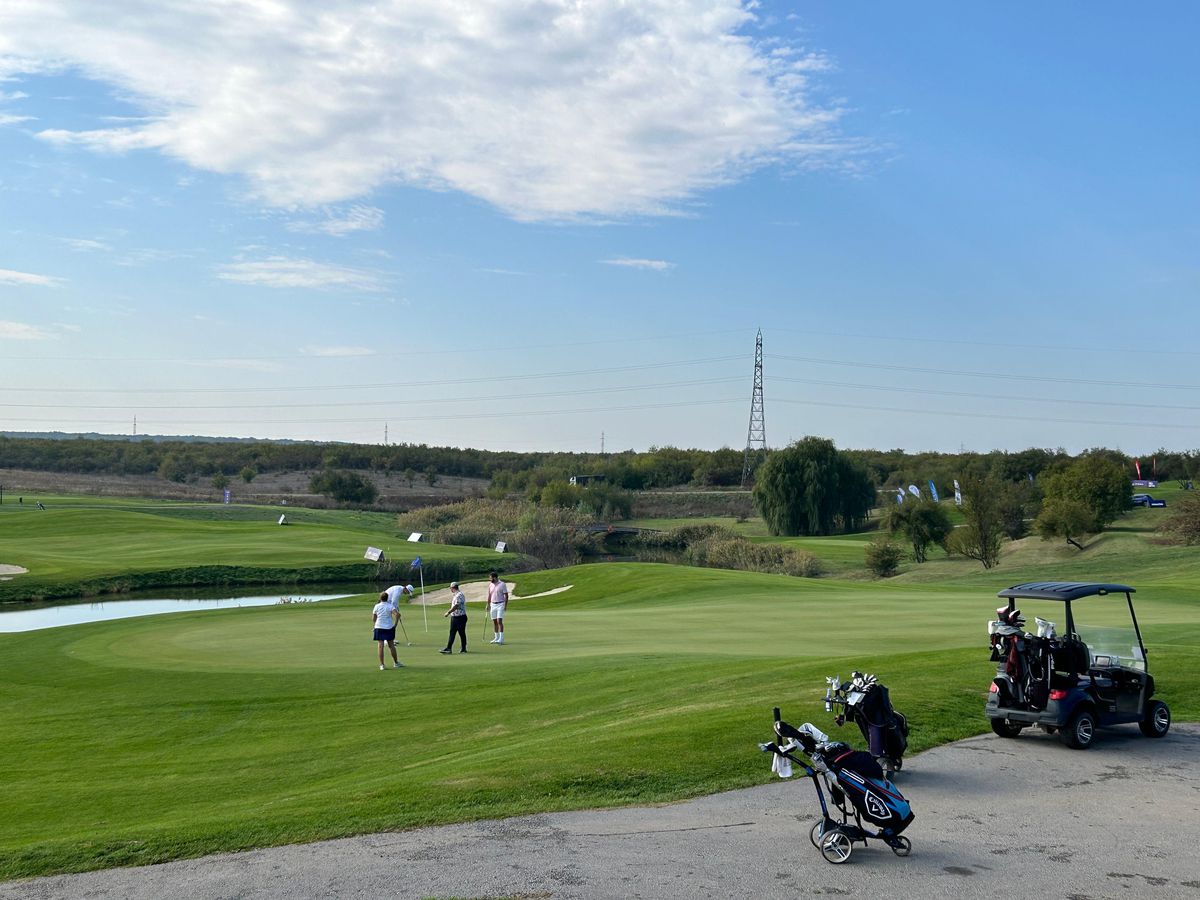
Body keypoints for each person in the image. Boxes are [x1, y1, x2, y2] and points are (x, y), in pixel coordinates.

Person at [372, 591, 404, 670]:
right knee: (391, 645)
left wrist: (375, 625)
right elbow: (397, 615)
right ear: (387, 598)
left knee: (380, 646)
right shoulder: (390, 606)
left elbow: (373, 618)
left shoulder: (376, 606)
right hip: (389, 627)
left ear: (380, 598)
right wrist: (395, 625)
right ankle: (396, 663)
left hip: (379, 627)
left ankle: (382, 665)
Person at [440, 581, 468, 654]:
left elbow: (456, 606)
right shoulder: (455, 595)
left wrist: (448, 612)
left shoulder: (459, 595)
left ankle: (463, 648)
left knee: (461, 633)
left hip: (460, 617)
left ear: (453, 588)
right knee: (452, 633)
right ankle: (449, 648)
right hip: (454, 617)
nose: (450, 590)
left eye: (451, 588)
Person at [487, 570, 509, 645]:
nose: (490, 580)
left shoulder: (502, 584)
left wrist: (505, 606)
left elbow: (506, 595)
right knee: (494, 621)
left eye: (491, 578)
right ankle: (496, 637)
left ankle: (501, 638)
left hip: (500, 604)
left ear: (495, 578)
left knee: (499, 621)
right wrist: (488, 604)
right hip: (493, 604)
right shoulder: (490, 585)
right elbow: (489, 595)